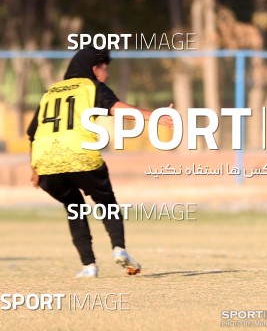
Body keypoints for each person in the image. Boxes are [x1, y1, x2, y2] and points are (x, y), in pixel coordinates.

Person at [27, 47, 173, 278]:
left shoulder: (50, 92)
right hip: (79, 154)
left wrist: (35, 169)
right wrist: (154, 116)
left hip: (46, 162)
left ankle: (89, 266)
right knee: (106, 202)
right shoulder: (91, 86)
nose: (107, 73)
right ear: (94, 69)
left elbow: (33, 133)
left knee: (74, 207)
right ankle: (119, 248)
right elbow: (117, 109)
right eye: (105, 68)